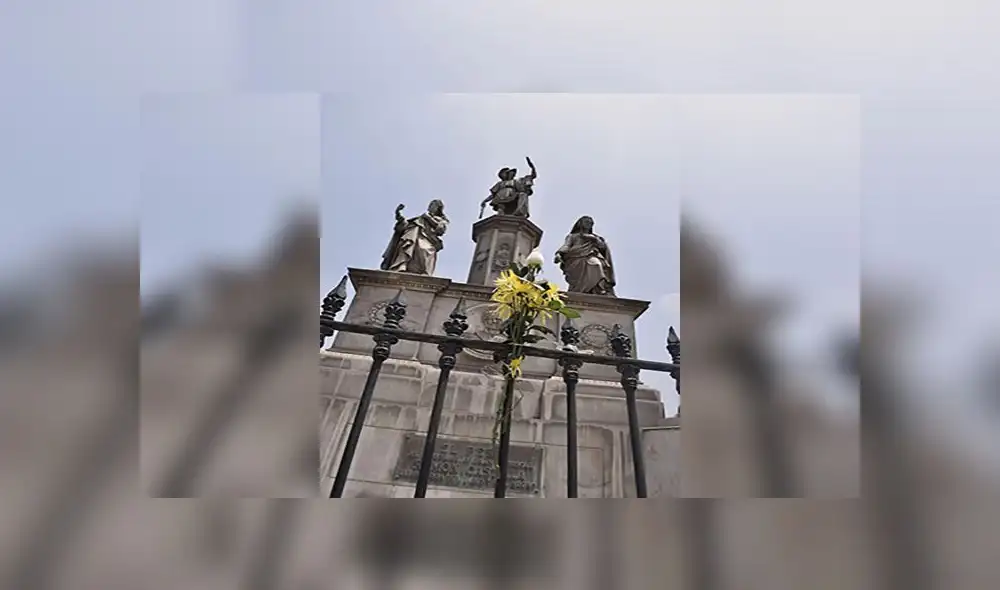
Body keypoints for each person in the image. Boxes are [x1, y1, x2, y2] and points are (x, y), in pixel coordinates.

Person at [380, 199, 449, 275]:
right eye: (430, 204)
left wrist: (429, 218)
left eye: (433, 205)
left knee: (425, 250)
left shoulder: (441, 220)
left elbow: (440, 230)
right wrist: (399, 216)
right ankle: (401, 266)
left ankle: (424, 273)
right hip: (412, 235)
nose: (430, 206)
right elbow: (405, 225)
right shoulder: (420, 218)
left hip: (428, 239)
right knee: (406, 245)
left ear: (438, 208)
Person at [553, 215, 616, 296]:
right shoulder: (572, 236)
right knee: (581, 276)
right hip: (574, 259)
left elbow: (603, 247)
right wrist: (559, 253)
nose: (588, 224)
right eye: (586, 222)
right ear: (580, 223)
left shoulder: (595, 237)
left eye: (590, 223)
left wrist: (595, 239)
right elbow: (566, 246)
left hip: (590, 255)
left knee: (597, 264)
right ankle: (579, 291)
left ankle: (599, 289)